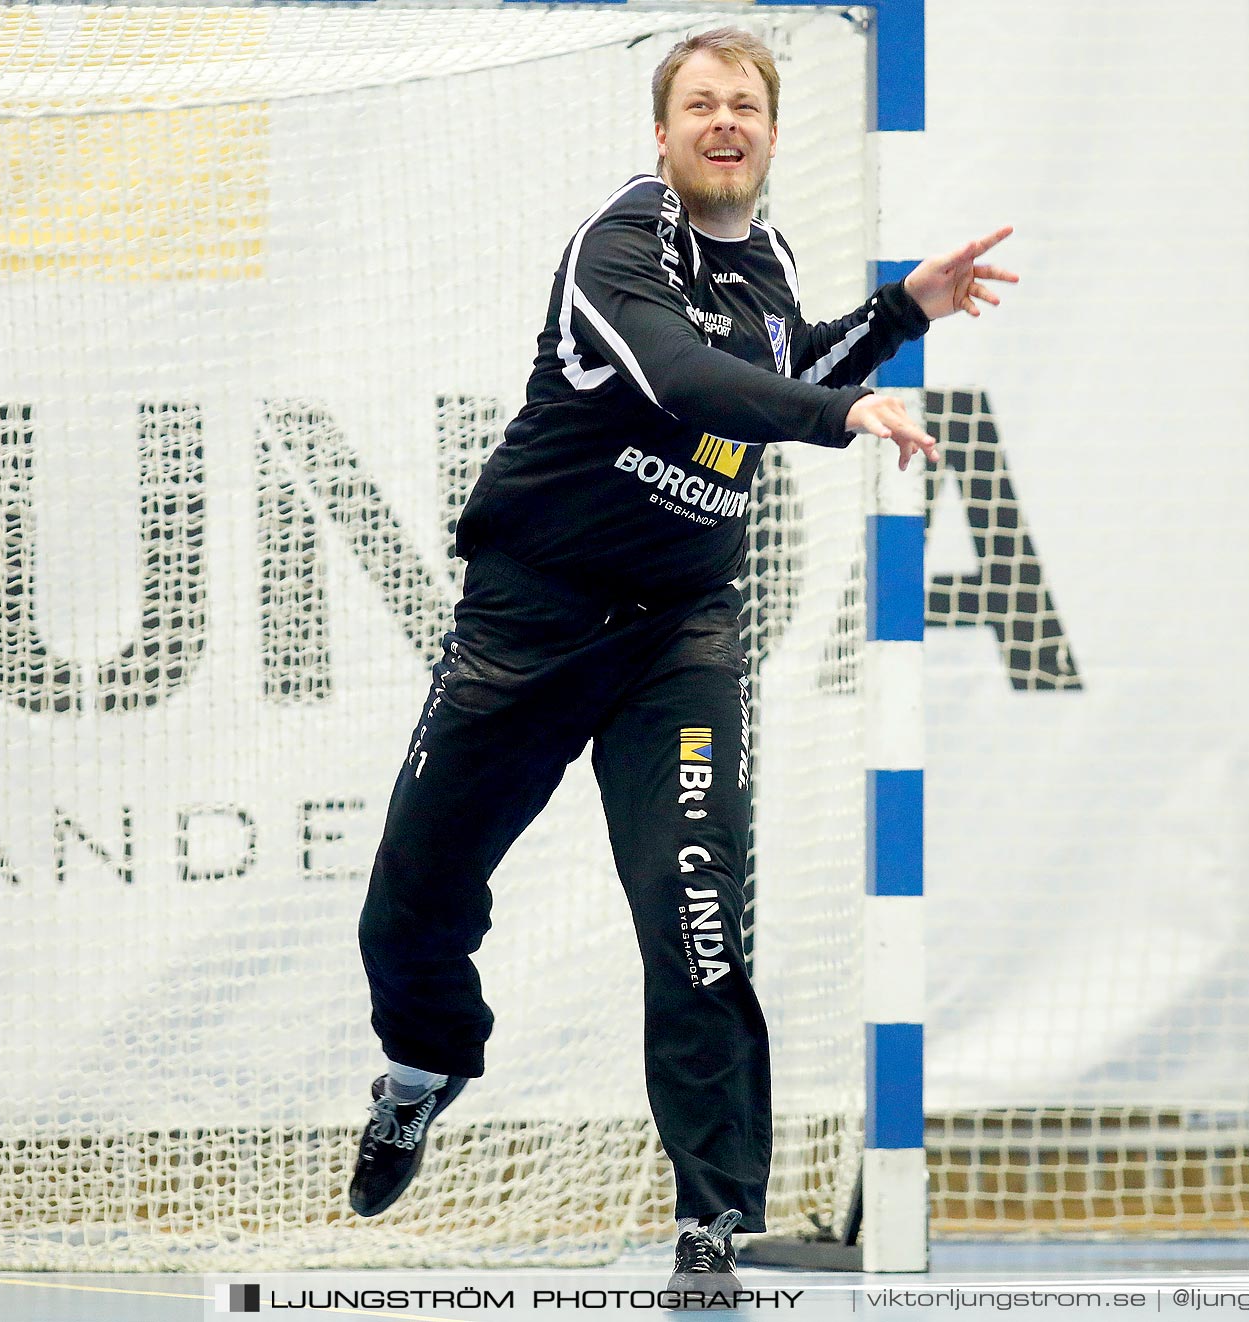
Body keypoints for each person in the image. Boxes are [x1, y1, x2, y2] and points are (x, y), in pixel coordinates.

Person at [348, 25, 1016, 1300]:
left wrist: (895, 316)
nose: (724, 123)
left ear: (770, 133)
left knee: (697, 918)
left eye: (746, 106)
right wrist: (842, 413)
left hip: (680, 635)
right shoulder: (622, 243)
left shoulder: (764, 259)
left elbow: (781, 361)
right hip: (527, 625)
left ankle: (713, 1225)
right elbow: (687, 379)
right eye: (700, 105)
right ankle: (426, 1067)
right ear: (663, 135)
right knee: (412, 902)